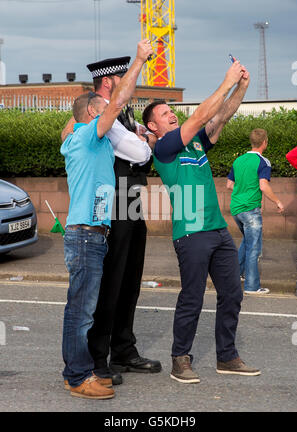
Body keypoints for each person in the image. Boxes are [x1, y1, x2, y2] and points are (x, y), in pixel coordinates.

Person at [142, 60, 261, 384]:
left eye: (171, 110)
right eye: (165, 113)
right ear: (154, 127)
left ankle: (227, 356)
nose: (171, 114)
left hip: (217, 229)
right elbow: (200, 116)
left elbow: (220, 116)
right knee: (192, 297)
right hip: (191, 232)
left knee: (233, 293)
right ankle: (180, 359)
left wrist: (241, 87)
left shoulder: (194, 141)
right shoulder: (165, 147)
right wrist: (225, 81)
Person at [60, 39, 153, 399]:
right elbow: (115, 105)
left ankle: (84, 371)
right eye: (103, 110)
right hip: (85, 233)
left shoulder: (84, 136)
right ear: (92, 114)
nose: (110, 113)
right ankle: (78, 375)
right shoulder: (88, 135)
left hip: (95, 231)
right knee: (81, 311)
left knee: (85, 307)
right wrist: (141, 60)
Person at [85, 52, 161, 385]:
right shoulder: (101, 111)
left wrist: (143, 140)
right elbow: (141, 153)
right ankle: (98, 355)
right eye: (124, 77)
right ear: (108, 82)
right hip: (113, 201)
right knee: (112, 279)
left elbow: (143, 157)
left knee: (130, 279)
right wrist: (145, 140)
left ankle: (124, 349)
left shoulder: (123, 114)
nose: (130, 83)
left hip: (130, 198)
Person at [227, 129, 285, 295]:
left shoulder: (238, 160)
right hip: (250, 210)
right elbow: (263, 185)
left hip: (236, 209)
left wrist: (242, 190)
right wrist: (278, 202)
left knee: (247, 242)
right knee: (254, 248)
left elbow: (229, 185)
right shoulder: (263, 162)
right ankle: (252, 287)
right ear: (264, 142)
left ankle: (236, 275)